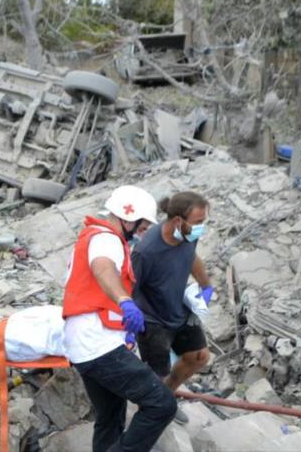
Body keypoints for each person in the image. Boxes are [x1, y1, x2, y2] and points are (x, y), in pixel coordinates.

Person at [62, 185, 177, 452]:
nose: (142, 233)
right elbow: (102, 268)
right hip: (97, 344)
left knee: (111, 419)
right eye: (142, 226)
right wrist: (125, 301)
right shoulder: (106, 239)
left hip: (85, 343)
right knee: (162, 404)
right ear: (128, 217)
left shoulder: (94, 237)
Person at [131, 191, 212, 425]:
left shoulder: (187, 235)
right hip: (153, 318)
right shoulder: (147, 251)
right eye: (198, 222)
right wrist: (132, 321)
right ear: (178, 221)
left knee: (199, 356)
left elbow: (191, 257)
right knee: (158, 371)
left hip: (178, 307)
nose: (201, 228)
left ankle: (166, 396)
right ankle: (153, 408)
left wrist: (206, 285)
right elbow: (131, 287)